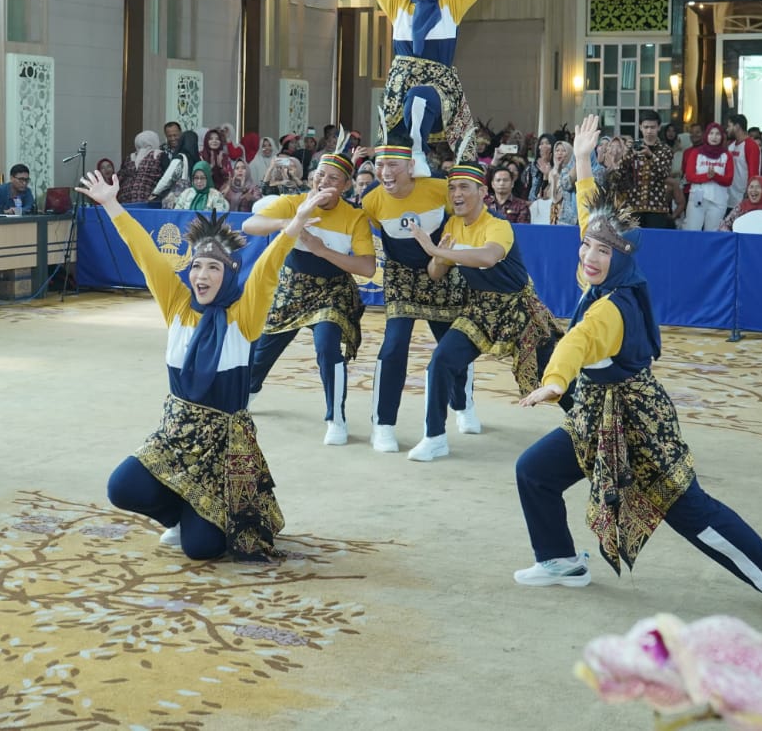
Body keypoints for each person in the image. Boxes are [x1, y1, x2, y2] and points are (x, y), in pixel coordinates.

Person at [510, 114, 762, 625]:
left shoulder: (611, 309)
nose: (587, 254)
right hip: (595, 412)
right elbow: (590, 212)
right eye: (587, 245)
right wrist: (583, 161)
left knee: (690, 512)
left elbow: (578, 342)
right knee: (535, 471)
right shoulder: (609, 270)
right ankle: (560, 560)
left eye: (601, 251)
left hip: (637, 421)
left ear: (620, 258)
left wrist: (554, 382)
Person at [77, 170, 326, 561]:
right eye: (196, 266)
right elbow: (144, 253)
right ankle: (179, 514)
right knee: (121, 488)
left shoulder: (244, 315)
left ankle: (215, 515)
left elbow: (267, 269)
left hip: (225, 448)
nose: (201, 274)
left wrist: (293, 226)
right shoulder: (177, 304)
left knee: (203, 550)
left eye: (213, 267)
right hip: (175, 437)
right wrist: (111, 204)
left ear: (228, 274)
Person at [327, 0, 521, 174]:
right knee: (394, 138)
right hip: (399, 90)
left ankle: (418, 153)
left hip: (439, 91)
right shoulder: (398, 6)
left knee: (418, 97)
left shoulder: (450, 6)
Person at [404, 159, 558, 462]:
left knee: (554, 377)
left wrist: (435, 250)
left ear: (482, 192)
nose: (456, 194)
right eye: (452, 188)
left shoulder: (498, 225)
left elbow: (489, 257)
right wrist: (440, 256)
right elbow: (436, 273)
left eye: (463, 187)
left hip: (520, 312)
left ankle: (592, 432)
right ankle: (434, 438)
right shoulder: (452, 225)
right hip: (480, 309)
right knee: (441, 362)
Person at [244, 152, 375, 445]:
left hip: (333, 291)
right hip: (292, 287)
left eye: (332, 178)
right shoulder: (294, 202)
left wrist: (322, 249)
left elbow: (367, 267)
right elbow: (249, 225)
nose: (323, 181)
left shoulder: (354, 216)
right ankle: (246, 395)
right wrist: (289, 223)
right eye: (319, 175)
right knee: (263, 346)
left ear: (345, 186)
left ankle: (336, 418)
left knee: (327, 347)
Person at [358, 143, 469, 453]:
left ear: (411, 166)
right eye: (380, 164)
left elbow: (464, 214)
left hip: (442, 269)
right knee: (393, 345)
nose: (384, 171)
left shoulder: (438, 189)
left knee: (453, 347)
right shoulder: (371, 200)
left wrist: (447, 256)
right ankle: (383, 424)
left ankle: (463, 404)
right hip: (401, 276)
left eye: (393, 164)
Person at [612, 109, 675, 230]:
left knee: (655, 242)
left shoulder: (665, 149)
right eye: (646, 127)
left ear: (659, 127)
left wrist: (650, 155)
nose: (649, 131)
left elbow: (664, 173)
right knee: (631, 242)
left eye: (652, 127)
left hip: (657, 207)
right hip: (632, 205)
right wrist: (624, 156)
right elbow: (620, 173)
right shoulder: (632, 147)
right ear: (640, 127)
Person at [681, 123, 733, 231]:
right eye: (711, 133)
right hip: (698, 198)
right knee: (692, 229)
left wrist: (715, 176)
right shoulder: (696, 153)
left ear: (722, 137)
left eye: (718, 134)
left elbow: (729, 180)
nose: (714, 137)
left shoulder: (726, 155)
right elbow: (690, 176)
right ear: (706, 135)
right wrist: (707, 177)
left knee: (712, 232)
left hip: (718, 200)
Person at [724, 113, 762, 215]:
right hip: (728, 197)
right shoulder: (731, 146)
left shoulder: (751, 146)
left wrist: (749, 195)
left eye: (729, 126)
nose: (727, 129)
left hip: (742, 198)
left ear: (737, 126)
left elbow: (753, 173)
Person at [118, 130, 166, 205]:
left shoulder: (129, 157)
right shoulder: (158, 155)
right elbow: (167, 178)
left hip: (124, 198)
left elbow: (120, 178)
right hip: (146, 198)